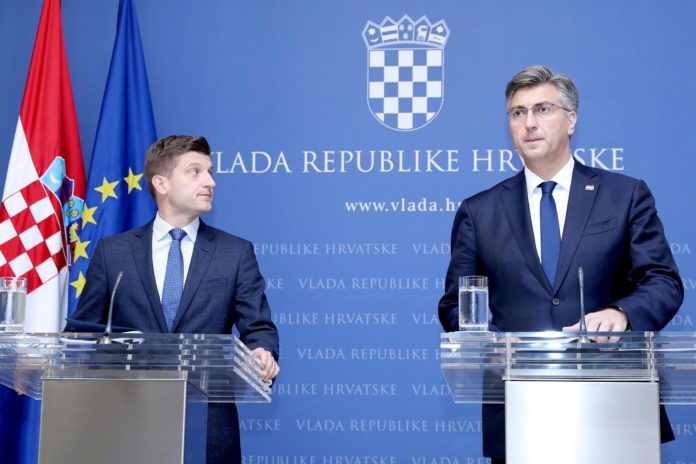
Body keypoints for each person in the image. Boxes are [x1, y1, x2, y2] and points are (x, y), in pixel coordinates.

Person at [438, 65, 683, 462]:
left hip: (616, 404)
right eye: (518, 113)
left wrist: (623, 313)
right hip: (519, 411)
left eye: (542, 109)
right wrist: (491, 341)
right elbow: (454, 305)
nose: (529, 123)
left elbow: (663, 281)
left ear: (571, 120)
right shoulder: (479, 212)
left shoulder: (625, 195)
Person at [71, 135, 280, 464]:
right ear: (161, 183)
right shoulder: (114, 253)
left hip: (209, 429)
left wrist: (262, 351)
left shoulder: (235, 253)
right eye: (195, 171)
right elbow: (82, 334)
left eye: (210, 172)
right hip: (125, 425)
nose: (210, 181)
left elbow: (258, 327)